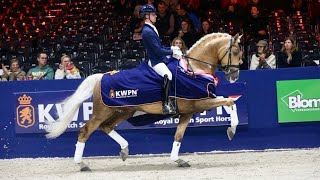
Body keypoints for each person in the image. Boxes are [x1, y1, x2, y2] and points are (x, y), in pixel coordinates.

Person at [140, 4, 183, 115]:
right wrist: (172, 52)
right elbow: (158, 51)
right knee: (168, 75)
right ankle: (165, 104)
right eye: (154, 14)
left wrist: (171, 48)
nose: (156, 16)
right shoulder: (147, 31)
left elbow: (159, 47)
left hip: (159, 57)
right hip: (155, 60)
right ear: (147, 16)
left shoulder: (151, 28)